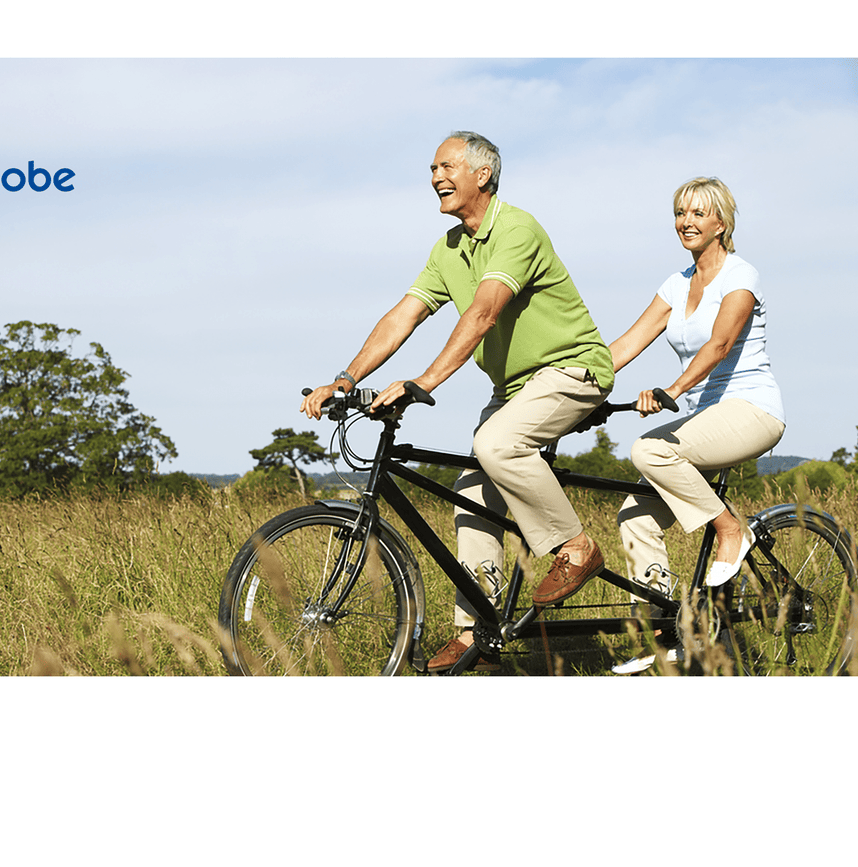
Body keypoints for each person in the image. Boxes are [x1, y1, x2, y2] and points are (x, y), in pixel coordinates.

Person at [301, 131, 615, 672]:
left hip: (572, 369)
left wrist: (424, 380)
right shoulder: (449, 248)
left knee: (495, 444)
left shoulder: (516, 228)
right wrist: (346, 378)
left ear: (482, 174)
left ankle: (575, 546)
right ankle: (478, 630)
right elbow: (405, 314)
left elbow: (483, 313)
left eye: (446, 166)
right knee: (471, 490)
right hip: (513, 388)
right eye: (431, 169)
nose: (435, 178)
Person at [607, 176, 785, 674]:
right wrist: (579, 384)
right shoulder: (676, 284)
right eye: (680, 212)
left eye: (698, 213)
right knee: (635, 517)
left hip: (752, 410)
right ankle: (669, 633)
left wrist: (672, 391)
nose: (686, 221)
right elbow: (626, 343)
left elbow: (719, 345)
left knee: (649, 450)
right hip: (704, 419)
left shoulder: (741, 275)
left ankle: (731, 530)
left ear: (721, 223)